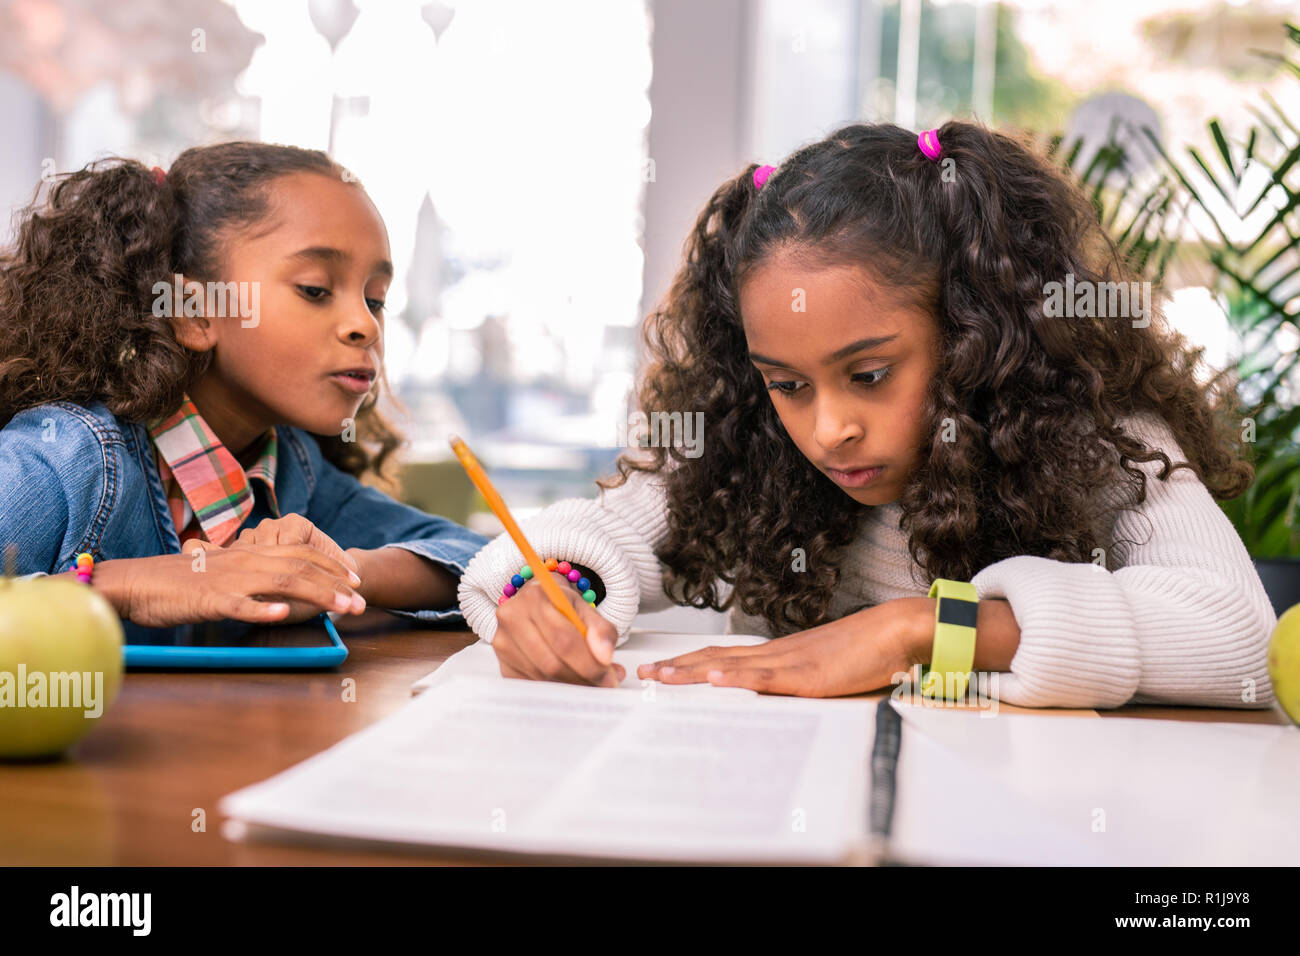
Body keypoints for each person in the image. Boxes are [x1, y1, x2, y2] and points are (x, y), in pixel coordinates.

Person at [456, 121, 1276, 709]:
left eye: (871, 373)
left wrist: (923, 629)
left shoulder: (1096, 436)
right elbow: (605, 534)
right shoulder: (744, 446)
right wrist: (556, 588)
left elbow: (1236, 632)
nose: (827, 429)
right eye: (788, 383)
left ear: (973, 334)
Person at [0, 142, 487, 636]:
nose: (366, 325)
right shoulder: (65, 461)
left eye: (375, 299)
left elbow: (482, 561)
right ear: (193, 311)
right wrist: (133, 586)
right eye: (316, 289)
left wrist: (335, 571)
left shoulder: (295, 473)